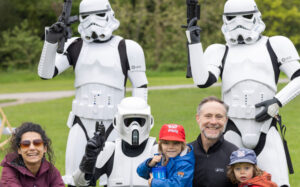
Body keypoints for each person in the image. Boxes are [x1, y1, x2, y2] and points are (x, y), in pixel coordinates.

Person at [185, 0, 300, 185]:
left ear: (256, 16)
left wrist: (277, 101)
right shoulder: (219, 50)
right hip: (233, 128)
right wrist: (194, 43)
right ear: (225, 20)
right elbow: (202, 80)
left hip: (266, 127)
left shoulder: (276, 44)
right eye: (232, 18)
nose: (239, 23)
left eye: (245, 16)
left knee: (278, 183)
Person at [38, 0, 148, 185]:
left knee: (113, 178)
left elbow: (140, 86)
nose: (92, 21)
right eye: (86, 17)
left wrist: (137, 122)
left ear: (109, 14)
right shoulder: (75, 45)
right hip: (80, 121)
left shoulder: (128, 47)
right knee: (75, 178)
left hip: (115, 123)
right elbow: (46, 73)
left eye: (98, 15)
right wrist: (50, 43)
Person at [73, 97, 158, 186]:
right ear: (118, 121)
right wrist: (89, 158)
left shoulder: (156, 151)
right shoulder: (110, 150)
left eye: (139, 121)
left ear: (149, 121)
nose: (134, 126)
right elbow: (80, 184)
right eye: (128, 121)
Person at [190, 96, 238, 187]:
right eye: (208, 116)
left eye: (219, 117)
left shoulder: (235, 155)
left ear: (226, 120)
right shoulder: (184, 153)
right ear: (198, 118)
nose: (213, 121)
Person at [0, 122, 64, 187]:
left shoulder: (52, 171)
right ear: (19, 150)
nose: (32, 148)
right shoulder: (9, 170)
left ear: (45, 148)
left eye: (37, 143)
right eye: (25, 144)